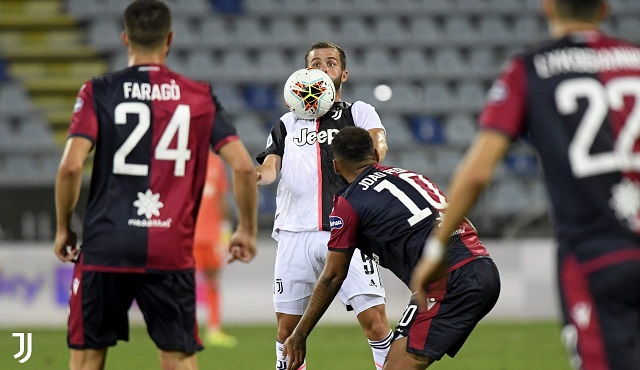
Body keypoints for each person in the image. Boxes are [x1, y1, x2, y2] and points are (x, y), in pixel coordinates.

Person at [411, 1, 640, 369]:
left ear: (547, 7)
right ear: (605, 8)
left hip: (595, 255)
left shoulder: (530, 69)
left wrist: (437, 252)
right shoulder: (635, 59)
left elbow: (476, 172)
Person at [52, 1, 258, 369]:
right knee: (178, 359)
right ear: (170, 39)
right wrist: (246, 229)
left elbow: (69, 167)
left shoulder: (98, 91)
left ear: (125, 38)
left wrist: (63, 228)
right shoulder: (198, 95)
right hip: (170, 249)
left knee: (86, 359)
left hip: (105, 246)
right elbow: (243, 167)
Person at [281, 127, 500, 370]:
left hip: (450, 282)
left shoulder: (348, 203)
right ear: (375, 153)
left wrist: (300, 333)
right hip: (482, 264)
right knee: (395, 361)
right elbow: (464, 223)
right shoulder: (411, 177)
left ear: (335, 166)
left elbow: (333, 275)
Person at [256, 41, 392, 370]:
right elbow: (271, 165)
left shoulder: (358, 112)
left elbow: (378, 145)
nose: (322, 67)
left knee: (375, 322)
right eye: (315, 63)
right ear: (304, 73)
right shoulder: (286, 123)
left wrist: (375, 153)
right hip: (294, 233)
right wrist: (258, 175)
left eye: (330, 63)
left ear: (342, 74)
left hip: (350, 229)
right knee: (287, 330)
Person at [193, 152, 237, 348]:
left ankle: (213, 329)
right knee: (186, 284)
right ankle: (188, 329)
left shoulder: (216, 162)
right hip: (190, 234)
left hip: (211, 235)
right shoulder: (183, 159)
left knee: (213, 282)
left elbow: (221, 198)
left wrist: (225, 231)